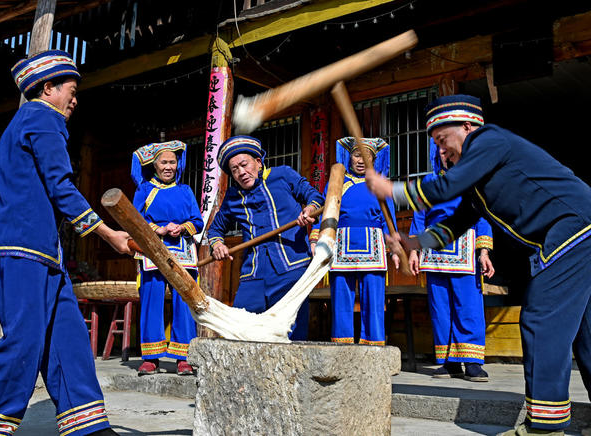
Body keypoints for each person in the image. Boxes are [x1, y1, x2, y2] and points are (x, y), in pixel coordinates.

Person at [365, 94, 591, 435]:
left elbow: (445, 187)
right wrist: (414, 243)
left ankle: (546, 427)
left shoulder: (489, 140)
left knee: (541, 317)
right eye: (436, 146)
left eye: (443, 140)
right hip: (579, 232)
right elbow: (457, 222)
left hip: (575, 228)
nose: (441, 152)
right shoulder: (479, 181)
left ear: (468, 126)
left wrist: (392, 189)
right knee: (587, 334)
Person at [0, 50, 130, 436]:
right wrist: (108, 234)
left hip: (44, 254)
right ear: (48, 88)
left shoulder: (30, 120)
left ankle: (89, 427)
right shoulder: (43, 117)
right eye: (71, 90)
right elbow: (61, 187)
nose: (75, 99)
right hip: (21, 250)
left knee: (67, 339)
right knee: (25, 341)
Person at [207, 135, 325, 340]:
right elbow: (215, 230)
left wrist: (310, 209)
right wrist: (217, 244)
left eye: (244, 165)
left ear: (258, 162)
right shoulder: (233, 196)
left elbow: (315, 197)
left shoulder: (282, 175)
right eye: (234, 170)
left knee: (291, 333)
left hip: (292, 266)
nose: (241, 172)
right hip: (254, 273)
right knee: (240, 331)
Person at [408, 139, 495, 382]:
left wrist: (484, 252)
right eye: (440, 148)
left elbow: (482, 217)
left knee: (468, 306)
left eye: (448, 148)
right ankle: (450, 363)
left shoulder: (472, 178)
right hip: (434, 248)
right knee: (440, 308)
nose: (444, 153)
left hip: (464, 245)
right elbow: (419, 216)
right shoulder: (427, 181)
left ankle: (473, 362)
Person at [310, 137, 399, 346]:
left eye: (367, 157)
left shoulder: (380, 185)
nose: (361, 160)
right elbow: (324, 213)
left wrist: (394, 248)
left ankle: (374, 344)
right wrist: (316, 238)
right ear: (349, 157)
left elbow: (389, 220)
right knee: (341, 297)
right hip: (341, 243)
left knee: (374, 299)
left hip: (374, 244)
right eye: (357, 155)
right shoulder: (337, 184)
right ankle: (342, 344)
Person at [131, 140, 203, 376]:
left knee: (184, 300)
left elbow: (197, 221)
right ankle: (151, 357)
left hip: (182, 249)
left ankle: (184, 357)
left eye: (173, 162)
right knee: (152, 299)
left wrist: (182, 228)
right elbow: (135, 221)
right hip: (153, 249)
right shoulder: (144, 190)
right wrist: (157, 229)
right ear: (155, 165)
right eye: (164, 162)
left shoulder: (185, 191)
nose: (169, 166)